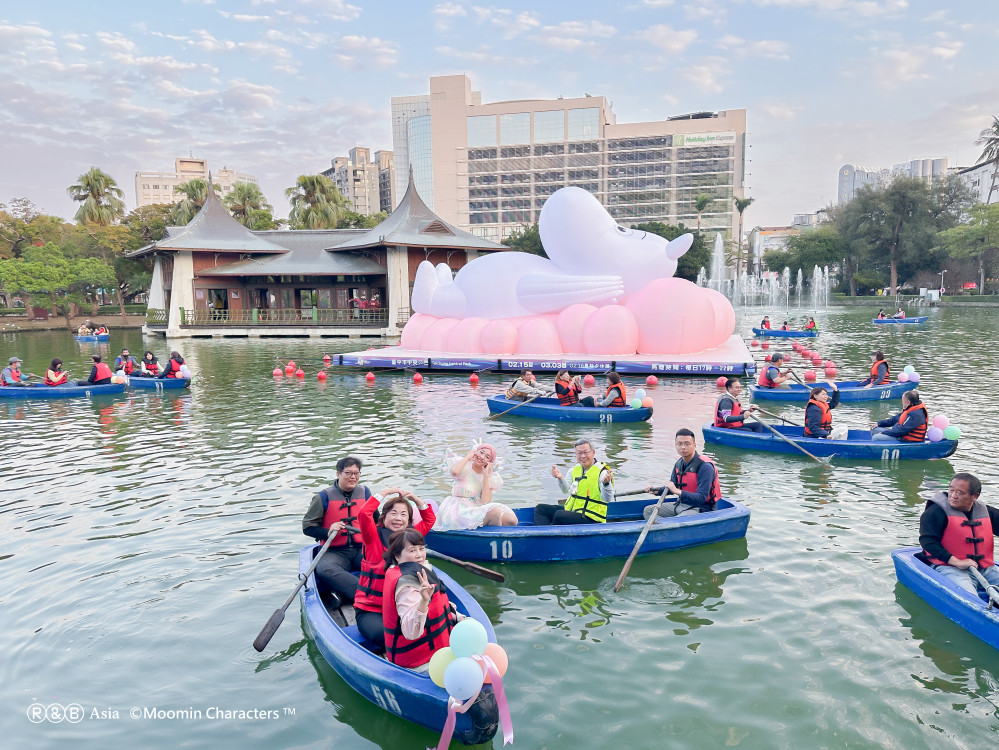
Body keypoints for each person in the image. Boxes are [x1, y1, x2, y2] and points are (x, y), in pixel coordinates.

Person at [354, 489, 437, 647]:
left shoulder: (410, 538)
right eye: (393, 513)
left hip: (403, 605)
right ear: (384, 517)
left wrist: (415, 499)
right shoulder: (372, 537)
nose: (398, 518)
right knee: (389, 637)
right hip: (372, 609)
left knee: (428, 629)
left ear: (409, 520)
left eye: (403, 514)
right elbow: (364, 513)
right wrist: (386, 492)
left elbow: (429, 519)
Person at [381, 528, 464, 671]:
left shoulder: (420, 570)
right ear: (398, 556)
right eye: (412, 550)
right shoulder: (407, 585)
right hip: (419, 663)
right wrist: (424, 601)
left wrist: (457, 616)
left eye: (421, 548)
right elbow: (411, 632)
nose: (419, 554)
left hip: (440, 649)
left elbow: (439, 604)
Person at [302, 456, 371, 604]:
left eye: (356, 473)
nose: (353, 477)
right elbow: (308, 528)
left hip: (361, 549)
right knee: (325, 570)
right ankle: (367, 597)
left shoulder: (365, 493)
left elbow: (376, 521)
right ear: (338, 474)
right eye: (348, 473)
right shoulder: (322, 497)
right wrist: (328, 531)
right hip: (334, 552)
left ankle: (342, 594)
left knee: (384, 564)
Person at [918, 473, 999, 594]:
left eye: (960, 492)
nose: (953, 496)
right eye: (951, 490)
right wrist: (957, 562)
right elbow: (928, 542)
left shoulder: (986, 512)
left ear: (975, 496)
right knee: (969, 596)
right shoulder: (935, 512)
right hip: (950, 566)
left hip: (984, 568)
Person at [643, 428, 723, 519]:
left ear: (694, 445)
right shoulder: (679, 463)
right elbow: (673, 487)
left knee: (678, 520)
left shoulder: (705, 466)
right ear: (675, 445)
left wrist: (677, 491)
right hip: (681, 504)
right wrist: (657, 491)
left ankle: (669, 526)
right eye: (680, 444)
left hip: (701, 508)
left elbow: (701, 498)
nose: (683, 447)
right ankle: (666, 527)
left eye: (687, 444)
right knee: (648, 511)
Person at [435, 443, 517, 530]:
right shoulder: (465, 465)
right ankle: (493, 535)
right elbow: (454, 472)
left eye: (487, 457)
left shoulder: (488, 476)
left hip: (475, 508)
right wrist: (468, 457)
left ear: (489, 462)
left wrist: (486, 476)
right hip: (459, 509)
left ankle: (494, 530)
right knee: (495, 513)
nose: (482, 457)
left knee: (511, 520)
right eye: (481, 452)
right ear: (475, 452)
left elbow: (485, 501)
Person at [534, 438, 614, 525]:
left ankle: (554, 533)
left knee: (560, 515)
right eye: (579, 453)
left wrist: (606, 484)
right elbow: (566, 490)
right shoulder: (574, 469)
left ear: (593, 452)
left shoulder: (603, 473)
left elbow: (607, 499)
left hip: (592, 518)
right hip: (574, 511)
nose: (583, 456)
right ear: (575, 454)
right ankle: (544, 532)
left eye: (586, 452)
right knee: (540, 509)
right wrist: (560, 478)